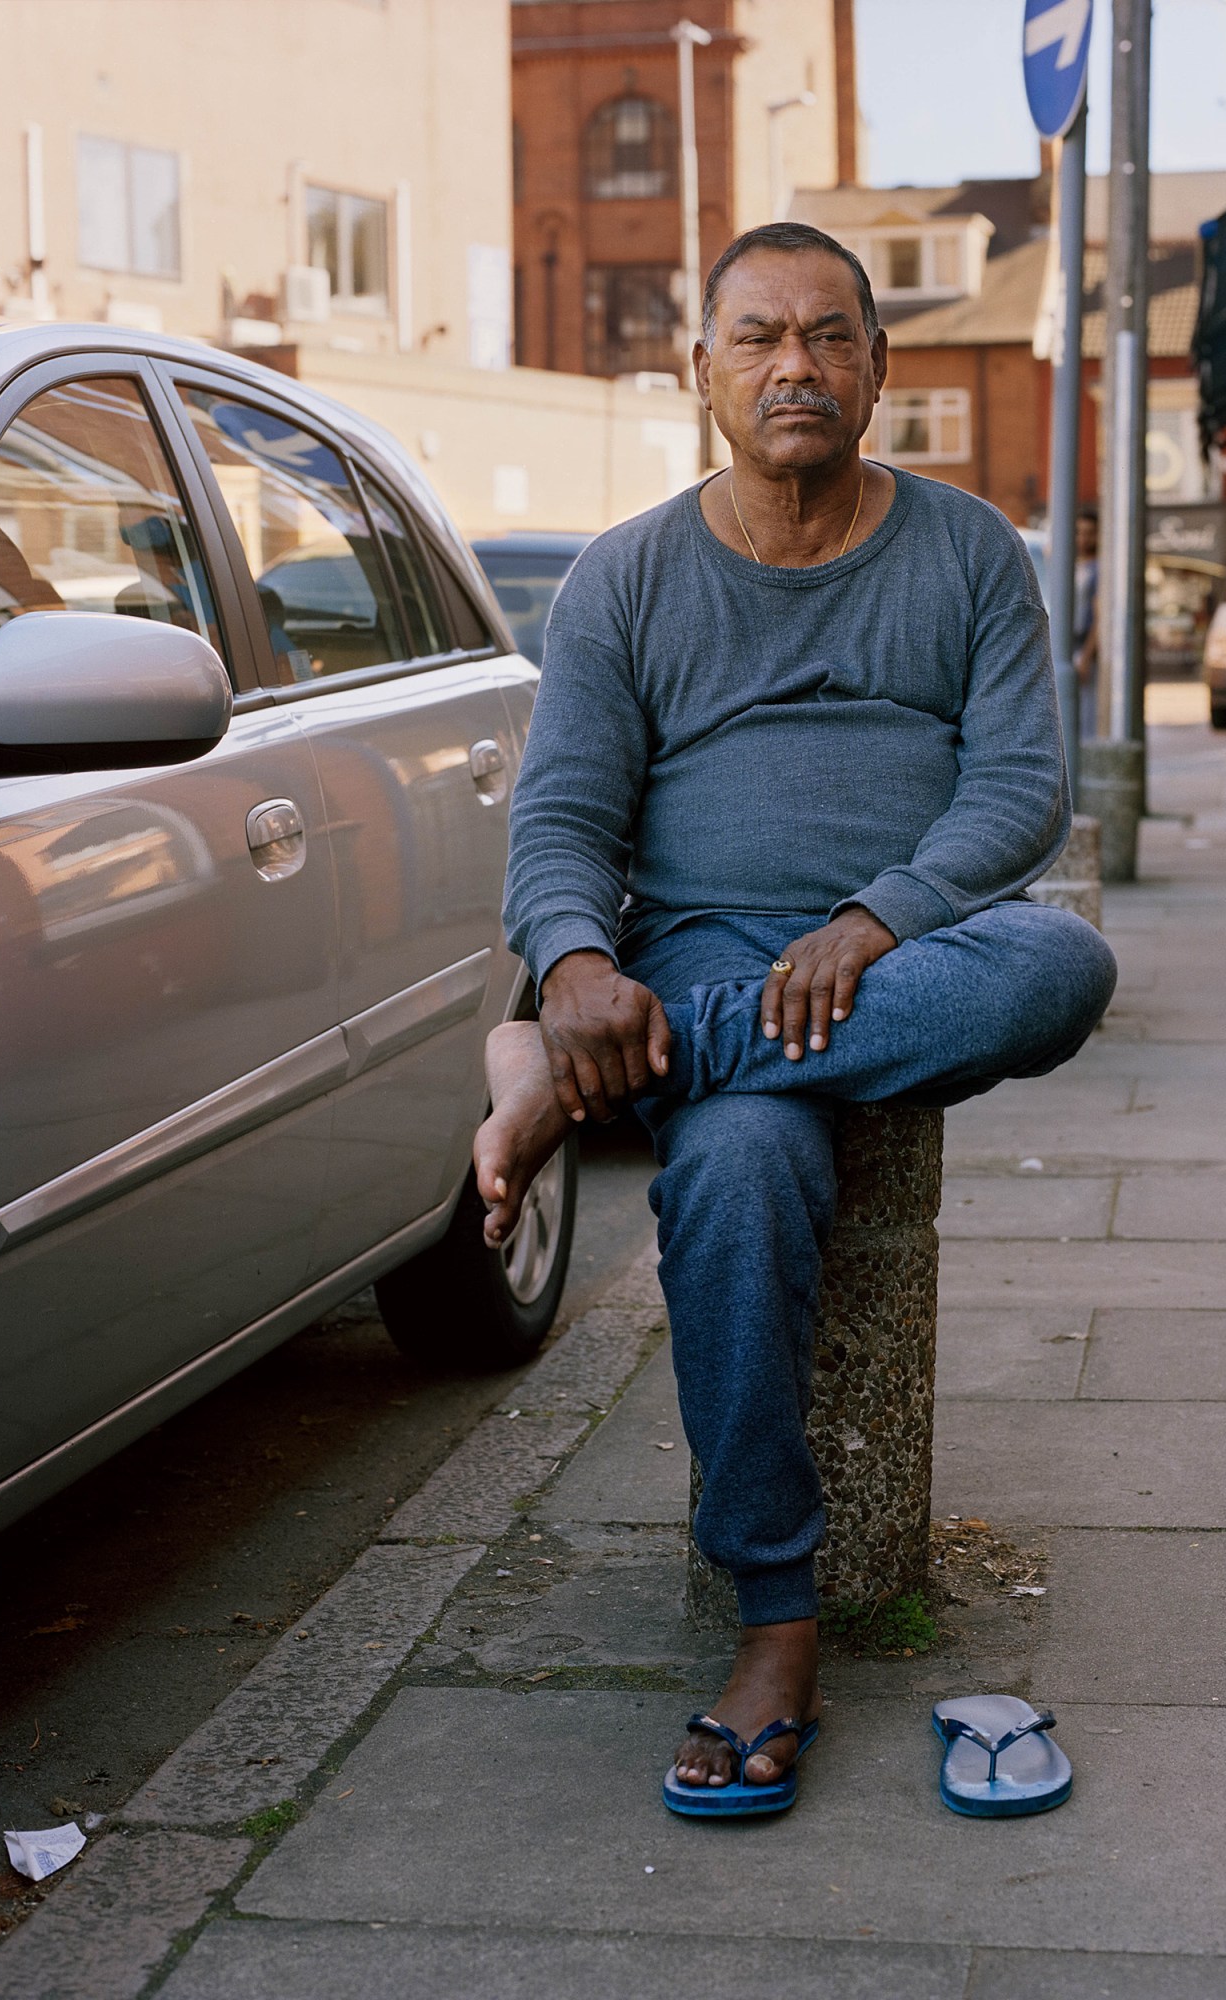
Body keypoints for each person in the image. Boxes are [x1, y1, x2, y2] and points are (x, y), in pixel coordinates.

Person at [475, 222, 1117, 1807]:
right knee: (742, 1171)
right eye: (757, 337)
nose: (795, 367)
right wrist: (570, 970)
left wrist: (872, 917)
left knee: (1069, 968)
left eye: (831, 337)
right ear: (699, 371)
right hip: (701, 936)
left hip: (904, 957)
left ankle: (629, 1066)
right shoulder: (627, 577)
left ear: (880, 369)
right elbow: (560, 825)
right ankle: (775, 1622)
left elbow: (1025, 788)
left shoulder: (968, 553)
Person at [1072, 504, 1100, 739]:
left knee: (1086, 715)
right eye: (1078, 532)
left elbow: (1098, 617)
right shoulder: (1069, 566)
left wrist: (1087, 657)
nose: (1083, 538)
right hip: (1065, 644)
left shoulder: (1098, 569)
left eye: (1089, 532)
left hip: (1083, 647)